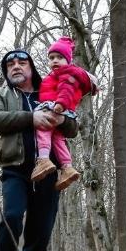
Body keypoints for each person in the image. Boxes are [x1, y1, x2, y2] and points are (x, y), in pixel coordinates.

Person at [0, 49, 80, 251]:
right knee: (12, 217)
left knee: (41, 230)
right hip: (15, 168)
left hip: (50, 172)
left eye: (21, 63)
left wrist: (60, 118)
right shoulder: (0, 94)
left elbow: (73, 128)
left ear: (31, 67)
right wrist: (31, 117)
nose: (16, 67)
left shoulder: (51, 89)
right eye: (10, 64)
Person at [31, 36, 97, 190]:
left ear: (68, 60)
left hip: (56, 107)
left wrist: (60, 104)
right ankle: (67, 167)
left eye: (59, 58)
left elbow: (67, 89)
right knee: (58, 139)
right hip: (61, 110)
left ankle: (43, 160)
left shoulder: (68, 73)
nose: (55, 61)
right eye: (51, 58)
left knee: (43, 129)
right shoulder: (57, 74)